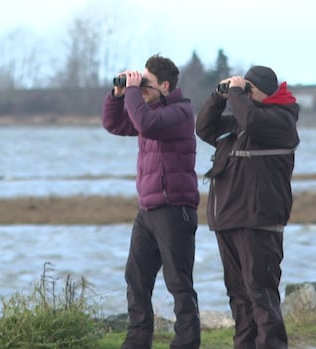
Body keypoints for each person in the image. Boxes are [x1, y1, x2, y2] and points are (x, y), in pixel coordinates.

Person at [195, 65, 300, 349]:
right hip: (228, 220)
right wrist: (219, 96)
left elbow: (252, 120)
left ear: (263, 93)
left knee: (261, 295)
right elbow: (203, 127)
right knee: (239, 297)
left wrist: (238, 95)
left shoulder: (281, 120)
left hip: (258, 221)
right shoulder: (237, 121)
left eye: (246, 90)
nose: (239, 95)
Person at [102, 54, 201, 349]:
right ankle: (137, 340)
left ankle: (186, 342)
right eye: (140, 81)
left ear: (166, 85)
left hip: (175, 210)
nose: (141, 87)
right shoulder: (151, 111)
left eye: (147, 83)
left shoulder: (179, 113)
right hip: (147, 210)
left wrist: (132, 92)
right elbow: (114, 124)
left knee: (178, 282)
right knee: (136, 278)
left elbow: (145, 124)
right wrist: (118, 94)